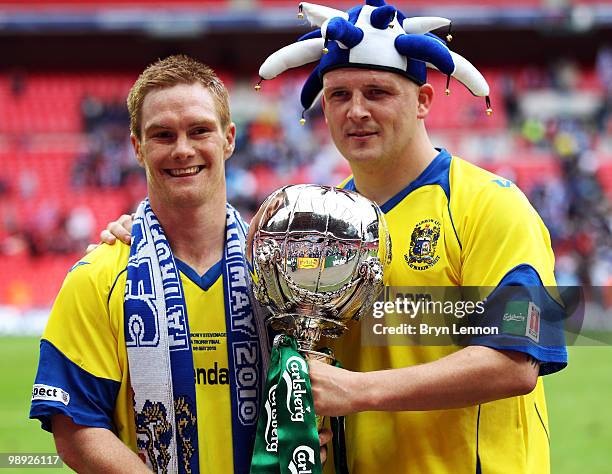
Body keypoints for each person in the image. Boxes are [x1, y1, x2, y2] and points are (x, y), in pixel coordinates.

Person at [99, 2, 568, 473]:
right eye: (339, 94)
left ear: (424, 100)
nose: (356, 111)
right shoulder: (312, 221)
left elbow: (515, 363)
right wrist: (144, 229)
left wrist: (356, 393)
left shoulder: (490, 205)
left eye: (377, 92)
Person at [30, 55, 336, 474]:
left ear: (229, 139)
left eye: (199, 131)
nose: (183, 149)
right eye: (162, 135)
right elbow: (75, 429)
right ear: (137, 147)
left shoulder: (283, 275)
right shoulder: (96, 277)